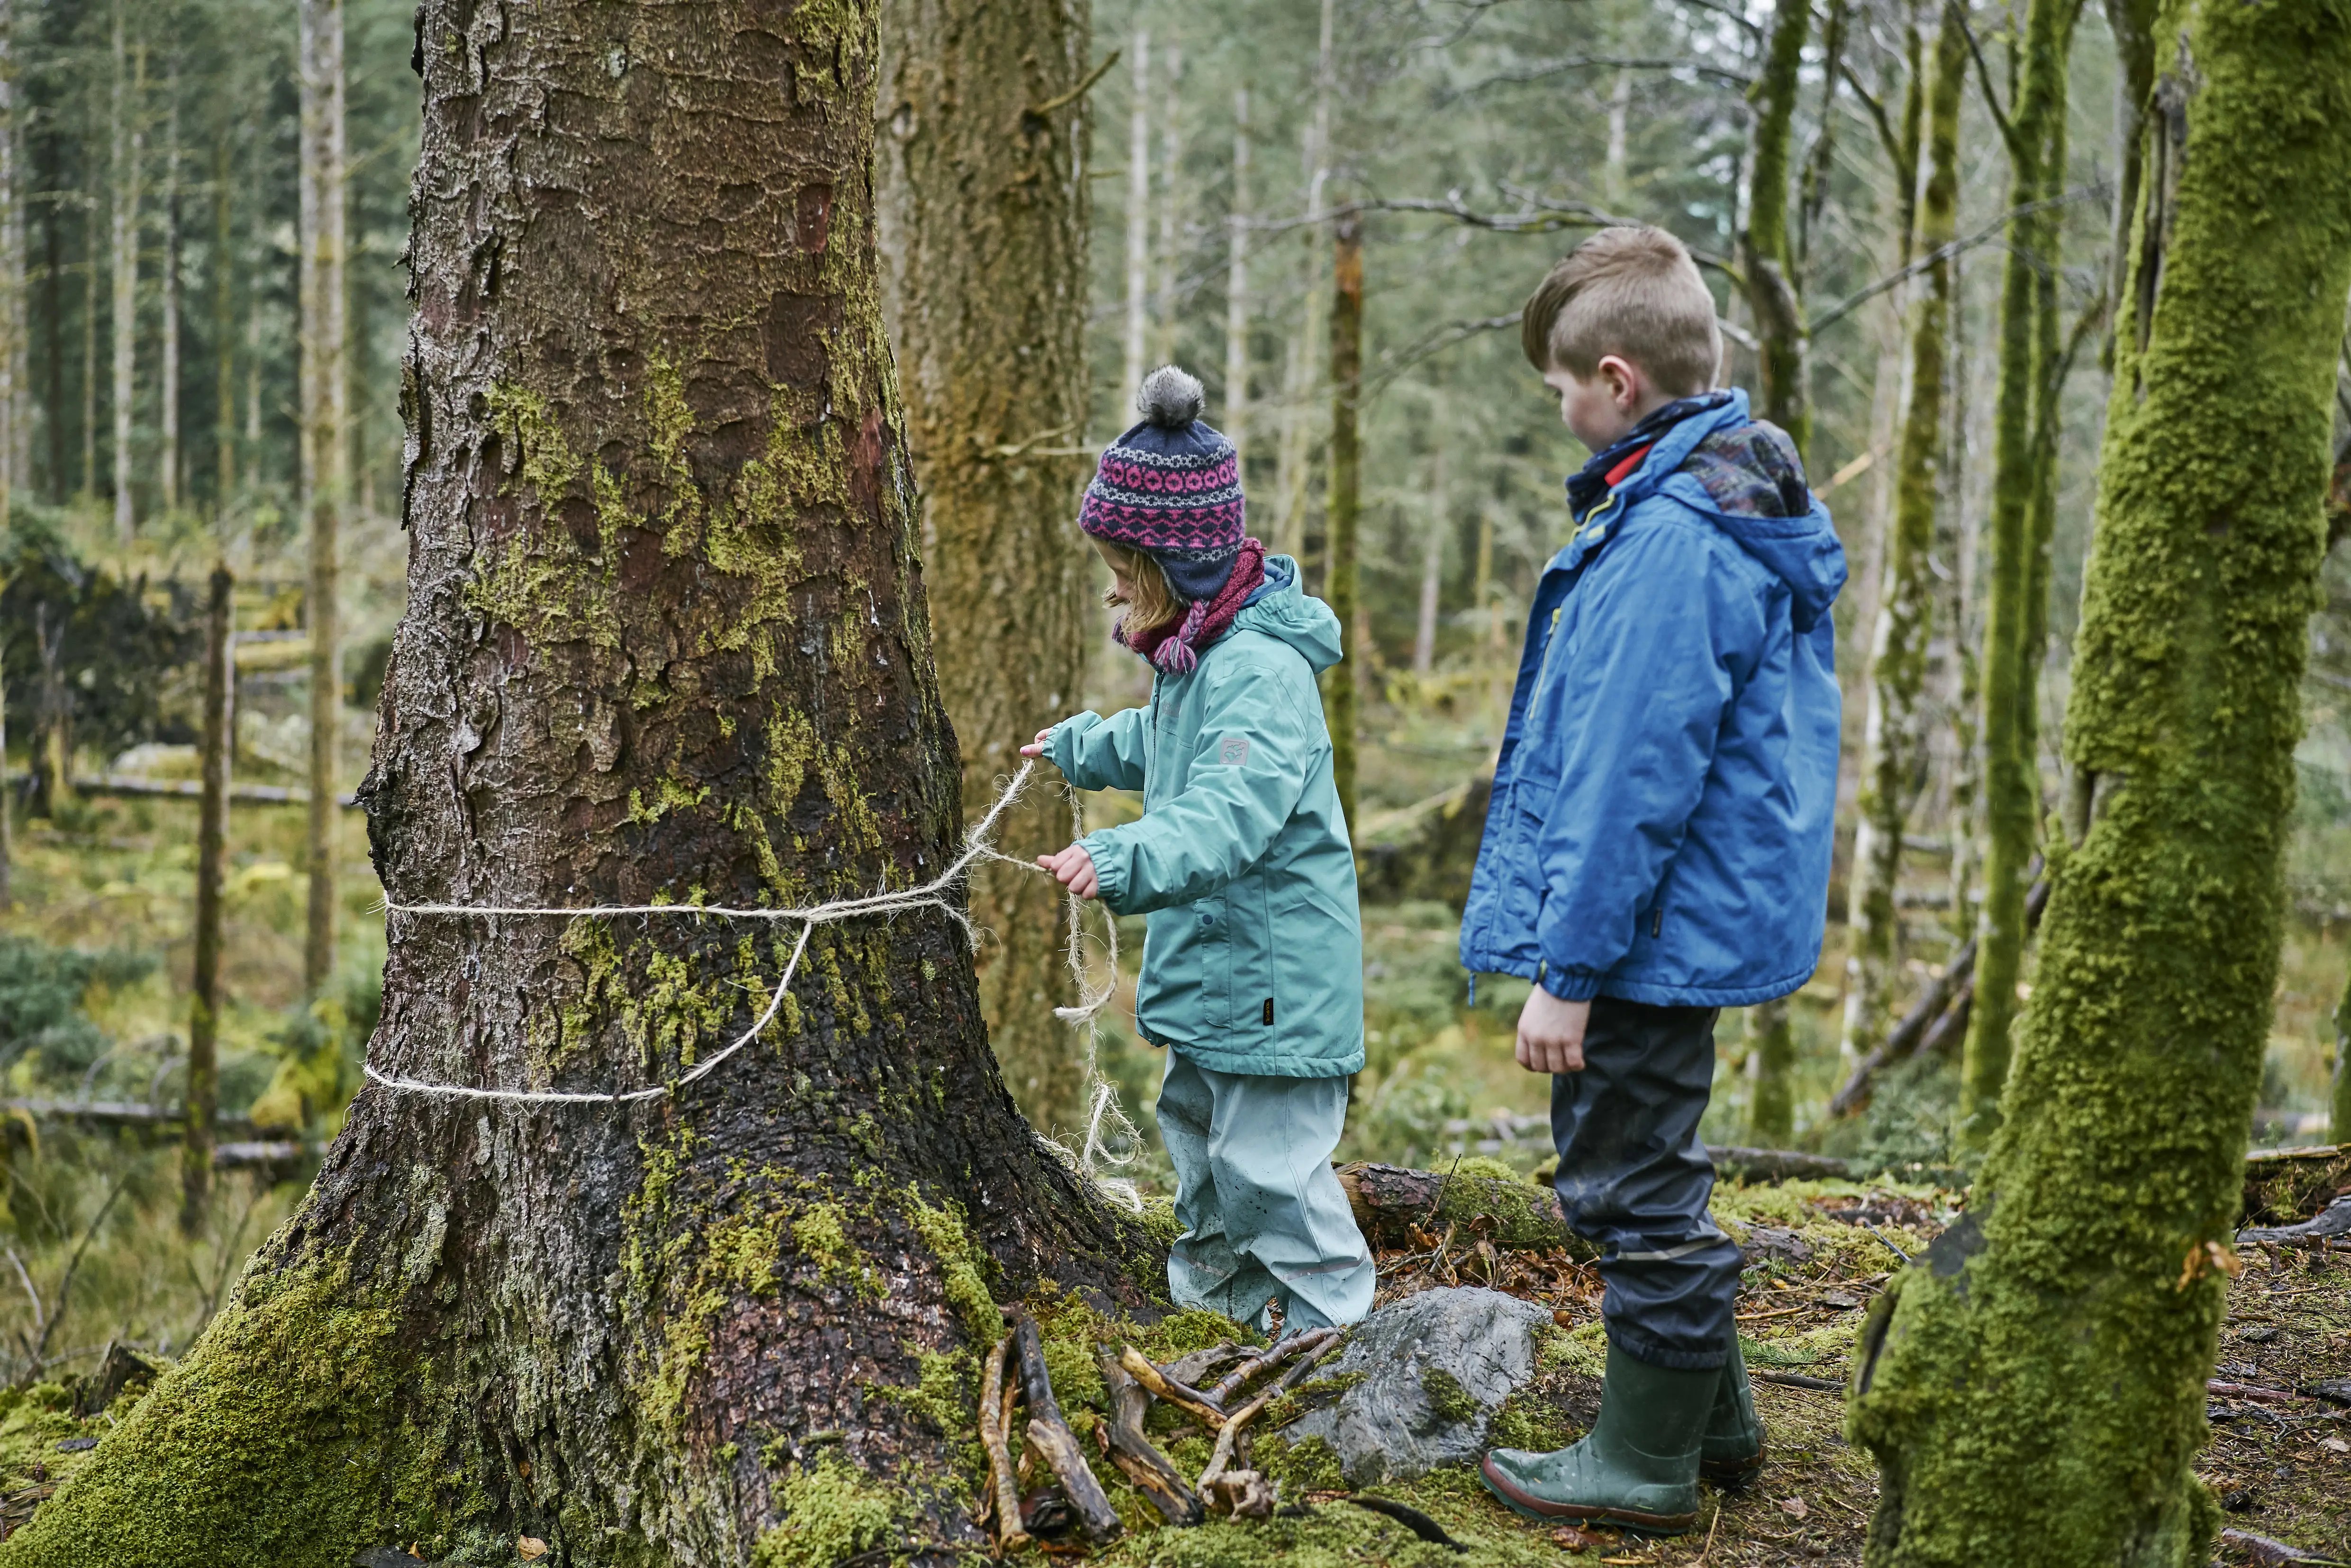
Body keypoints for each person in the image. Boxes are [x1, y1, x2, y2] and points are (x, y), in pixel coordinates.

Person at [1463, 226, 1846, 1533]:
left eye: (1565, 390)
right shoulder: (1710, 500)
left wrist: (1567, 975)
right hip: (1678, 919)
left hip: (1648, 929)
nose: (1561, 413)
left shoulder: (1674, 539)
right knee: (1651, 1162)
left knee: (1627, 1183)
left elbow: (1630, 781)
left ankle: (1644, 1465)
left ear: (1619, 381)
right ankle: (1715, 1425)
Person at [1021, 364, 1375, 1338]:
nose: (1111, 590)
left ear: (1175, 570)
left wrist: (1124, 856)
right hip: (1220, 984)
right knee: (1204, 1158)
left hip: (1271, 987)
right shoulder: (1199, 662)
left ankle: (1338, 1343)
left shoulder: (1258, 672)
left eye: (1123, 572)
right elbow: (1166, 748)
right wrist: (1084, 748)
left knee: (1270, 1174)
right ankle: (1221, 1324)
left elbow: (1229, 810)